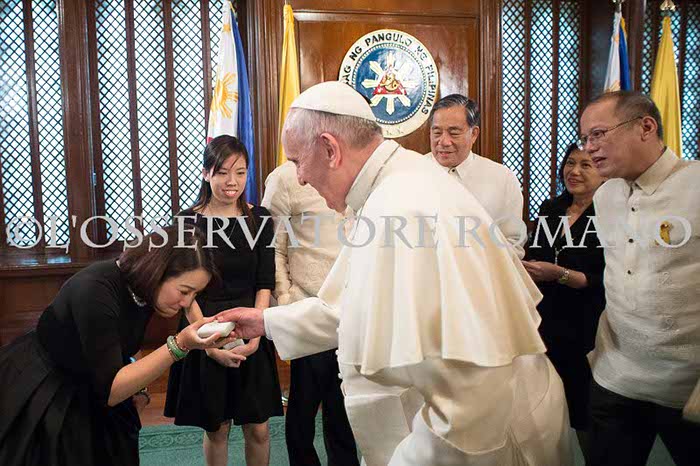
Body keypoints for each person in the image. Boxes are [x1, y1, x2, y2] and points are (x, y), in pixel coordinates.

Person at [215, 81, 573, 466]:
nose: (299, 178)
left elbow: (471, 391)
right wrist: (266, 321)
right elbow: (353, 306)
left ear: (330, 149)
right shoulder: (392, 185)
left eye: (298, 160)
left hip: (484, 442)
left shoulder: (404, 205)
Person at [0, 225, 235, 465]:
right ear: (157, 271)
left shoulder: (143, 289)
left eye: (195, 295)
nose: (187, 302)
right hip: (52, 385)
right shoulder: (95, 290)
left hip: (100, 380)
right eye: (185, 291)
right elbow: (111, 391)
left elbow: (126, 344)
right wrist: (179, 345)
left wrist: (139, 390)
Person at [579, 91, 700, 466]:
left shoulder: (695, 185)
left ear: (646, 127)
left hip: (686, 388)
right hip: (616, 379)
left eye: (599, 134)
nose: (589, 148)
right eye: (585, 138)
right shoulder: (605, 195)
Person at [164, 135, 282, 466]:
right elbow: (184, 291)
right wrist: (207, 343)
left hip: (251, 324)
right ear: (206, 174)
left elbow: (265, 281)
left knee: (258, 427)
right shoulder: (186, 221)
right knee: (217, 428)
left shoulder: (260, 219)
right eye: (223, 172)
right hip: (204, 324)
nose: (232, 182)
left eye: (240, 172)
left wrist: (256, 331)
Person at [262, 161, 359, 466]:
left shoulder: (354, 168)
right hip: (305, 306)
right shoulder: (284, 178)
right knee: (303, 405)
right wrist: (286, 299)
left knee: (342, 406)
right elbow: (272, 247)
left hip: (350, 309)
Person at [524, 143, 606, 451]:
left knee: (585, 410)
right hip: (546, 319)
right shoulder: (551, 208)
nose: (574, 171)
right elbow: (534, 252)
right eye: (570, 163)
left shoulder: (612, 213)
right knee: (547, 404)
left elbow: (605, 278)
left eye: (586, 165)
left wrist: (560, 274)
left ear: (603, 172)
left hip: (588, 324)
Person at [427, 94, 526, 258]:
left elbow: (513, 243)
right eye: (437, 132)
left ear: (474, 134)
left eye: (454, 133)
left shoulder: (502, 179)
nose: (444, 142)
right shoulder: (411, 174)